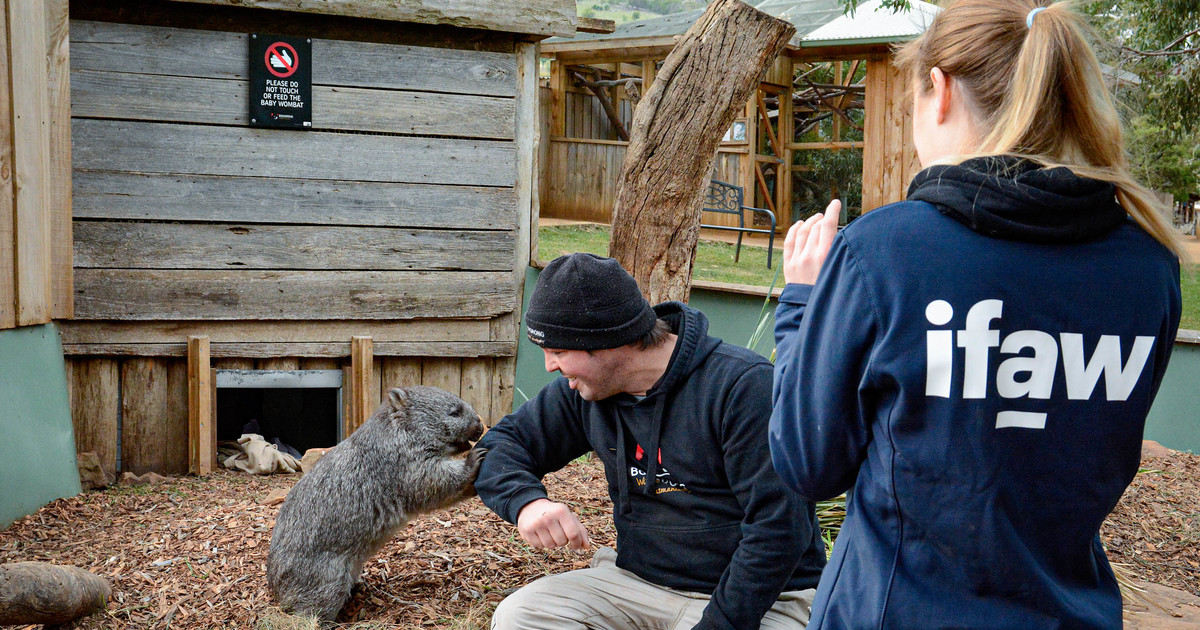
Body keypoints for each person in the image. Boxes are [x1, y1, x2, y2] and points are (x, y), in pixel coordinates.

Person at [768, 2, 1184, 629]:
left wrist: (802, 300)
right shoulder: (1148, 266)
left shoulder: (887, 252)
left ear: (938, 91)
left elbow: (806, 462)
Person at [476, 252, 827, 630]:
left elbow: (780, 529)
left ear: (608, 341)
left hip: (762, 601)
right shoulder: (586, 393)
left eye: (558, 351)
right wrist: (527, 503)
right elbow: (500, 446)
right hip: (636, 585)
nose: (549, 366)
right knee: (522, 616)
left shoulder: (742, 387)